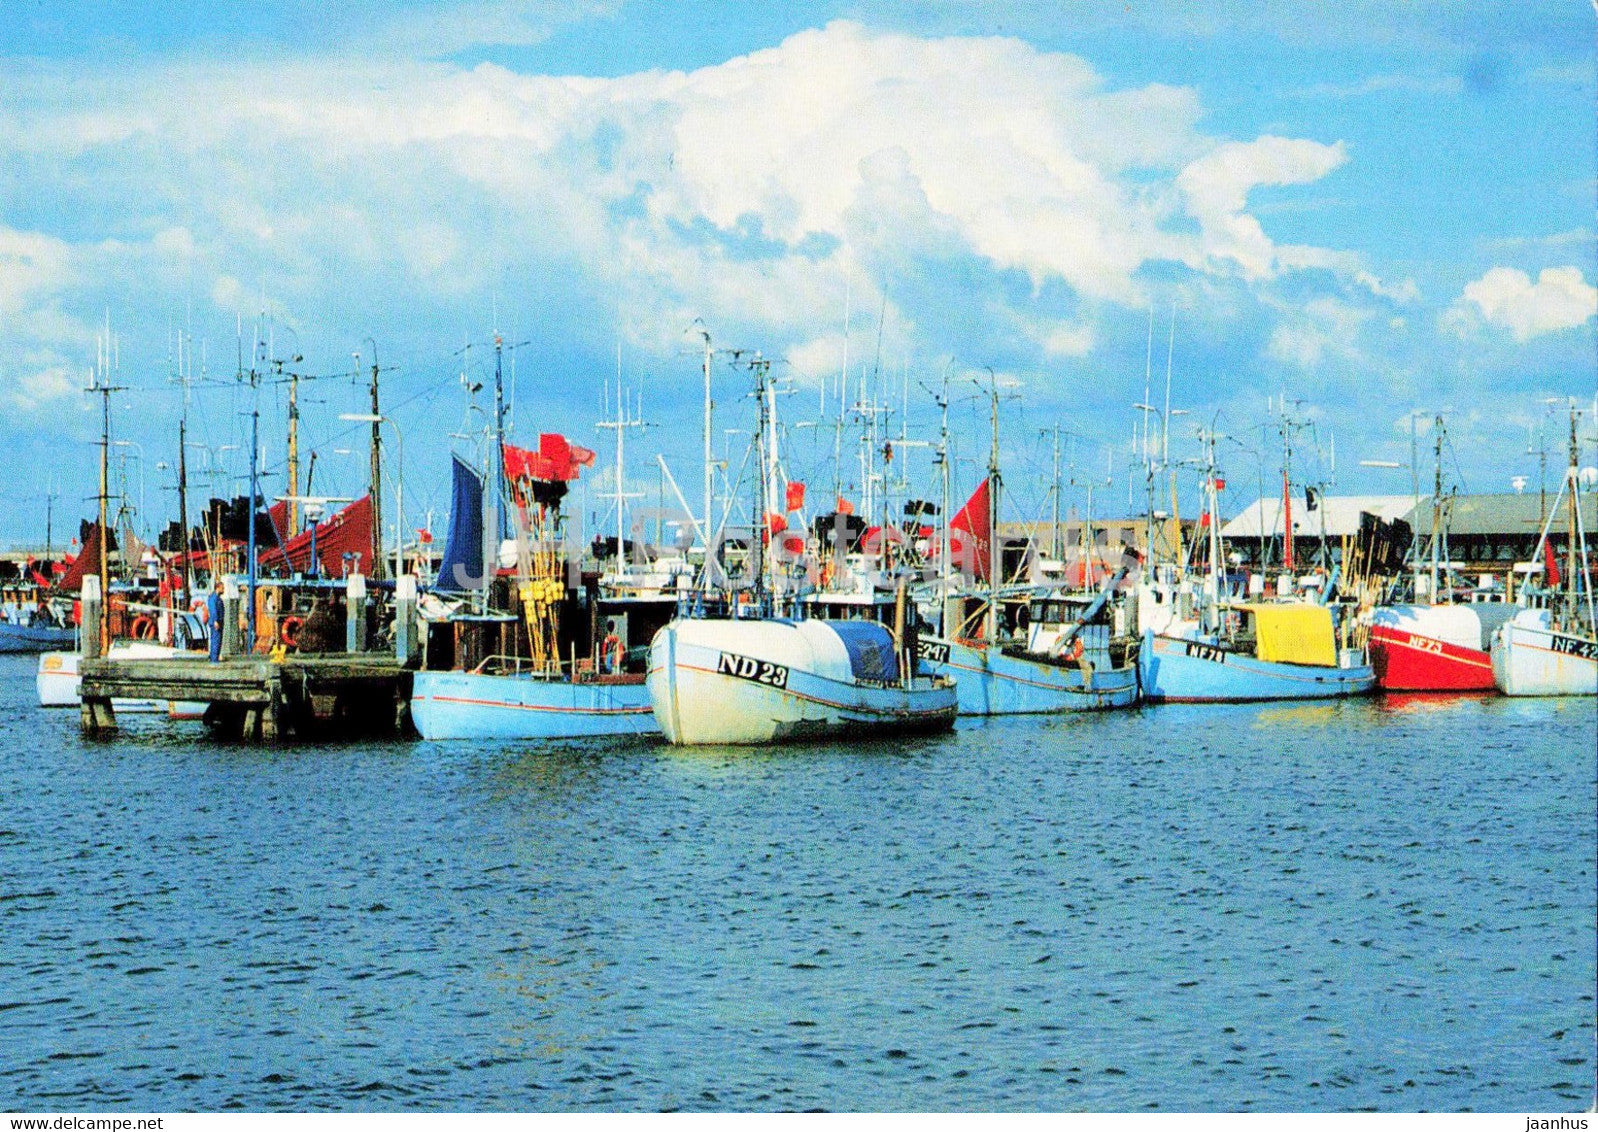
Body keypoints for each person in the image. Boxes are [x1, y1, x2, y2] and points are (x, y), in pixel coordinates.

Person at [206, 579, 224, 662]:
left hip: (219, 622)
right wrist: (215, 621)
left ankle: (215, 657)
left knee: (218, 640)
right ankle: (214, 659)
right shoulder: (213, 598)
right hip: (215, 622)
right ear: (218, 588)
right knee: (215, 640)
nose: (223, 590)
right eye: (222, 588)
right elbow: (213, 610)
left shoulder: (218, 598)